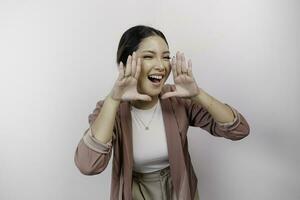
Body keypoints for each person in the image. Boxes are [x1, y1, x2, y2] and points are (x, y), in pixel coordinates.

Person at [74, 25, 250, 200]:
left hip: (180, 191)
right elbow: (88, 165)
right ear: (127, 62)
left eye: (166, 57)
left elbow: (239, 130)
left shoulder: (177, 98)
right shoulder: (110, 109)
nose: (161, 65)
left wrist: (198, 94)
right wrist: (113, 100)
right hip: (135, 193)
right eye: (149, 56)